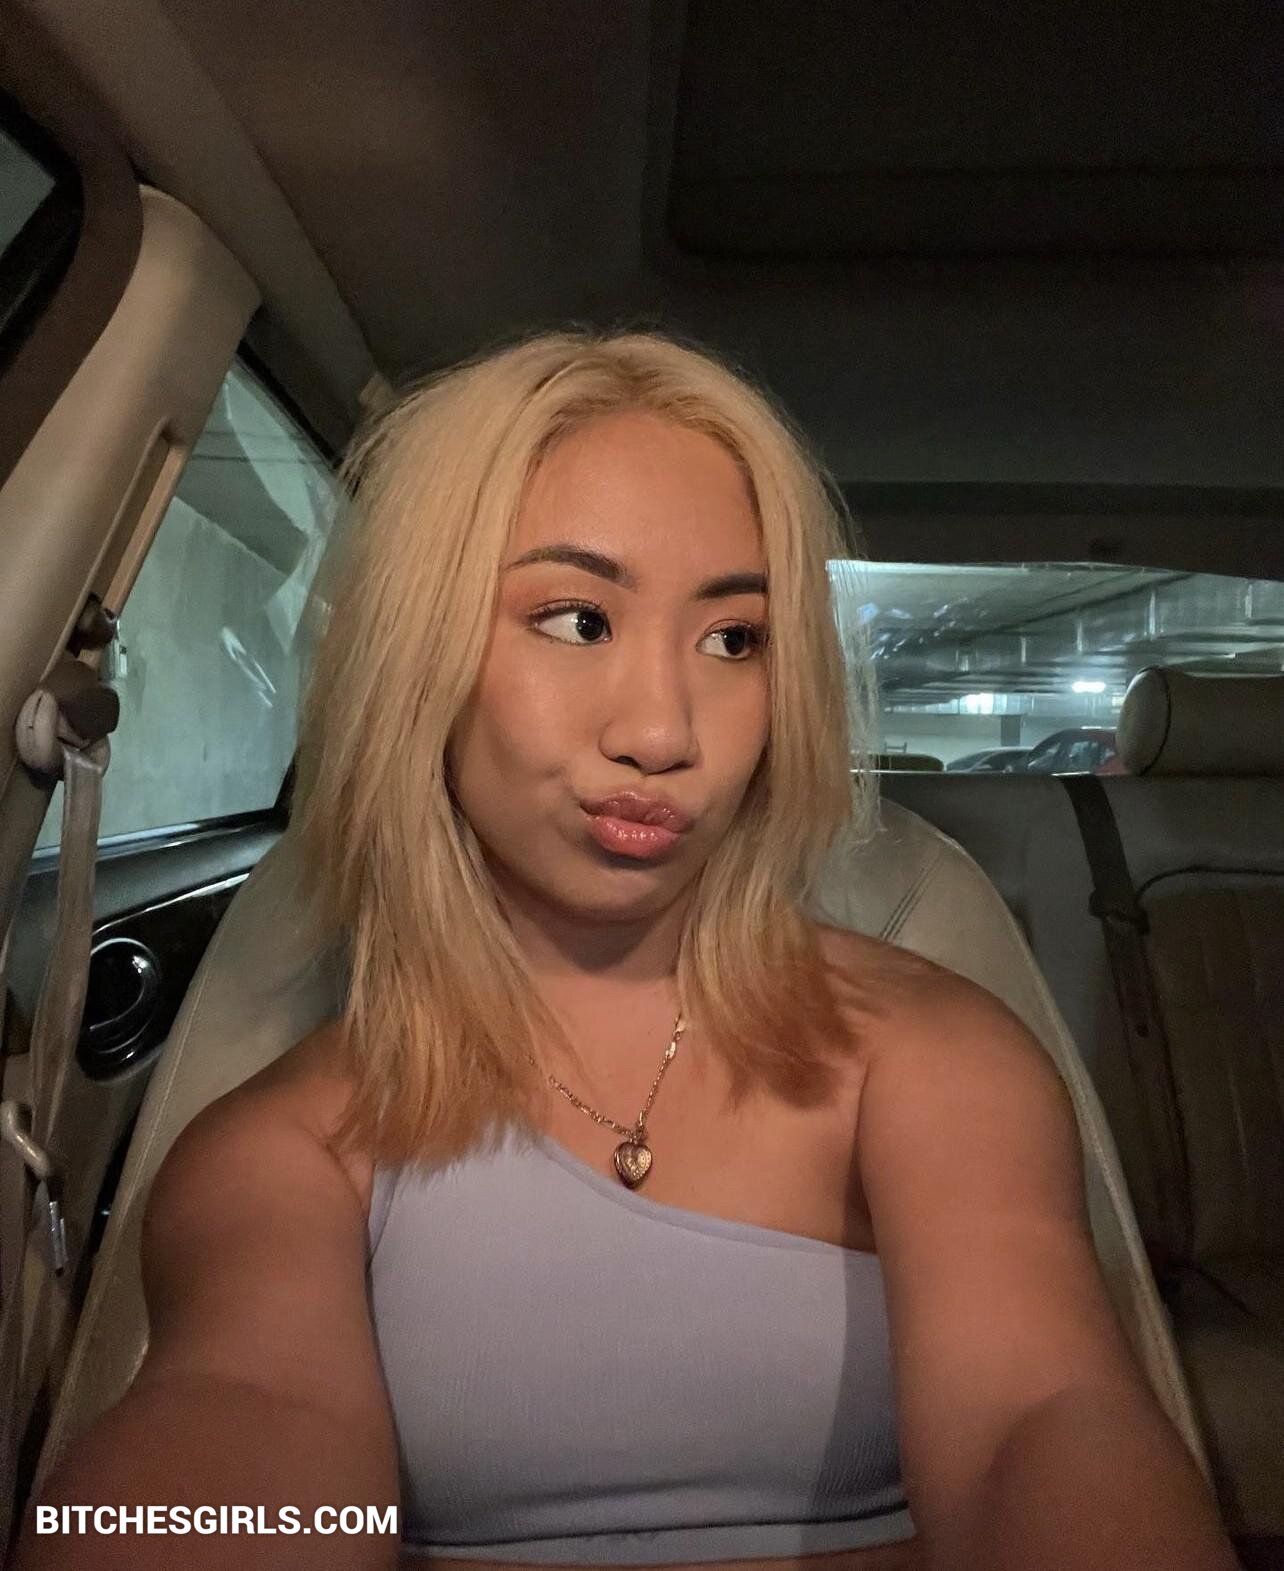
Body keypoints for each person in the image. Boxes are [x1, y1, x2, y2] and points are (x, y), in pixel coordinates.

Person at [17, 331, 1237, 1571]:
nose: (662, 732)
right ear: (418, 654)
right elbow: (239, 1426)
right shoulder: (285, 1145)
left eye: (736, 639)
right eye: (576, 618)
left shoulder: (936, 1057)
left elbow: (1040, 1414)